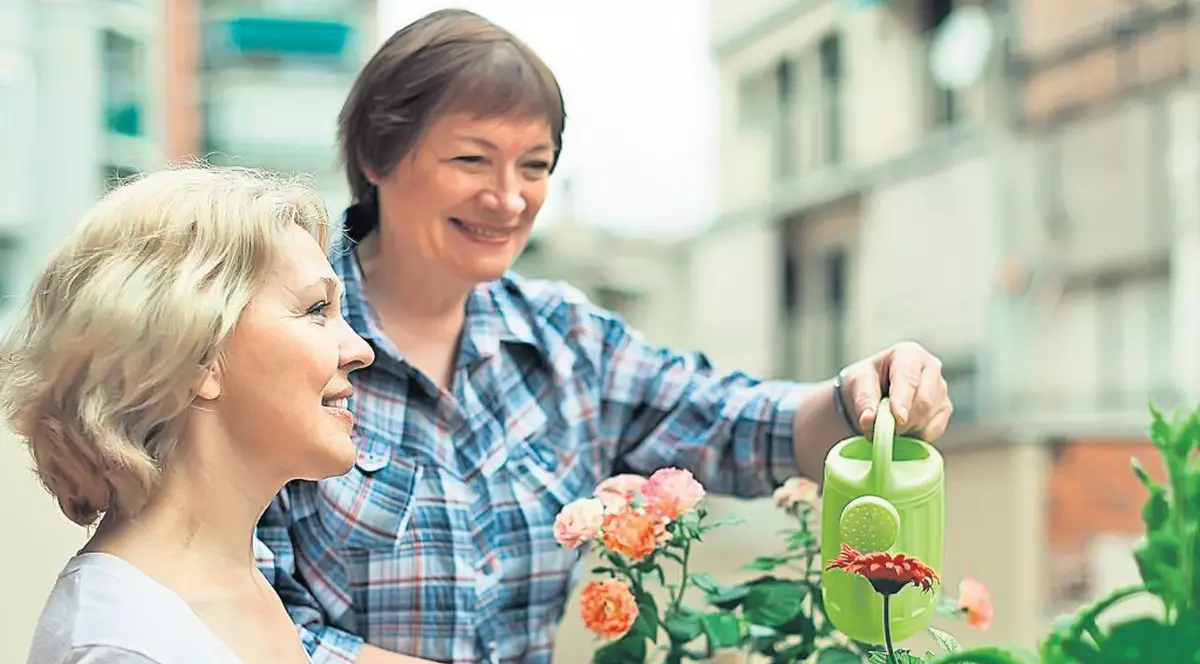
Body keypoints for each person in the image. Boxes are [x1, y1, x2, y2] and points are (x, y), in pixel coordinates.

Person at [254, 8, 955, 664]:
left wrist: (862, 397)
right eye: (471, 160)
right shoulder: (276, 336)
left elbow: (733, 422)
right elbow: (242, 617)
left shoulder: (567, 342)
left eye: (535, 165)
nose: (508, 198)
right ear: (378, 156)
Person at [4, 166, 378, 664]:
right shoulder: (125, 646)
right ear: (197, 356)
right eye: (316, 310)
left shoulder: (237, 584)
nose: (360, 350)